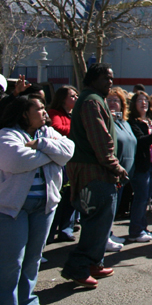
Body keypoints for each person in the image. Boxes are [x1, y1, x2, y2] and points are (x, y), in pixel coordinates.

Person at [0, 96, 75, 304]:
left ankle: (28, 300)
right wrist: (51, 153)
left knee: (33, 259)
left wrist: (40, 144)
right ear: (25, 114)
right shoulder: (7, 134)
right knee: (11, 262)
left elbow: (69, 150)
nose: (45, 112)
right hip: (13, 208)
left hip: (44, 207)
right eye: (39, 109)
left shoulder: (47, 133)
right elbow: (15, 161)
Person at [62, 63, 126, 288]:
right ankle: (77, 266)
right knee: (97, 221)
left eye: (112, 78)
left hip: (98, 171)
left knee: (102, 220)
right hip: (94, 173)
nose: (110, 82)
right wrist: (115, 166)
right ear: (92, 79)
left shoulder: (94, 99)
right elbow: (100, 139)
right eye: (106, 78)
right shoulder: (91, 102)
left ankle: (94, 263)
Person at [128, 90, 152, 242]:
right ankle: (136, 231)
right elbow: (140, 141)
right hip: (142, 164)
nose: (144, 103)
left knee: (147, 198)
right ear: (134, 104)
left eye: (145, 100)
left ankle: (142, 228)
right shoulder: (133, 122)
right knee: (141, 198)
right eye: (140, 100)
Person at [46, 86, 80, 244]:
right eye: (72, 96)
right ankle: (51, 231)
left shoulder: (75, 115)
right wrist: (77, 128)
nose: (75, 98)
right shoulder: (55, 114)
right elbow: (57, 128)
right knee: (61, 196)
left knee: (71, 197)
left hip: (75, 160)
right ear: (62, 99)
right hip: (62, 162)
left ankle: (66, 228)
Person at [107, 87, 136, 239]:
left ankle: (109, 234)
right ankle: (105, 236)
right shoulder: (106, 121)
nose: (112, 103)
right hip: (113, 173)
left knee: (116, 206)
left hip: (126, 174)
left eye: (116, 100)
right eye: (109, 100)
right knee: (109, 208)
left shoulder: (125, 122)